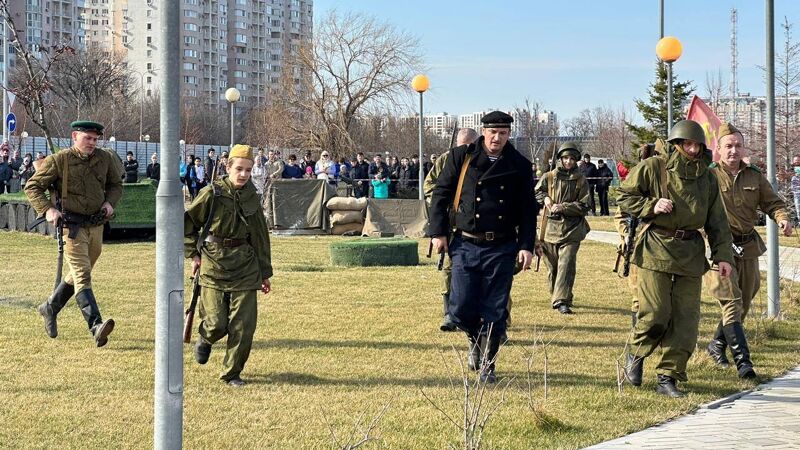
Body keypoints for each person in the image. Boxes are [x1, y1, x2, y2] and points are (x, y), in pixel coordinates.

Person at [617, 119, 734, 398]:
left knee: (686, 319)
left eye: (697, 144)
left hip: (691, 251)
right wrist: (651, 205)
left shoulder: (708, 177)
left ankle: (668, 376)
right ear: (676, 144)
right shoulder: (654, 167)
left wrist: (723, 255)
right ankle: (635, 353)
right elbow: (623, 194)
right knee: (656, 312)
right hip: (656, 246)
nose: (692, 149)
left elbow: (717, 219)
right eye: (687, 144)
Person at [429, 111, 536, 383]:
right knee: (461, 307)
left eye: (502, 133)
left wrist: (526, 246)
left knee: (495, 308)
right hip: (465, 241)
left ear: (509, 134)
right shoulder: (461, 157)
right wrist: (438, 232)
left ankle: (488, 364)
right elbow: (440, 194)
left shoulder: (520, 165)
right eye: (492, 132)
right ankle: (474, 338)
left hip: (501, 245)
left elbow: (527, 210)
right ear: (483, 131)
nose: (496, 138)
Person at [705, 123, 793, 380]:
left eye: (738, 145)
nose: (734, 150)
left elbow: (772, 202)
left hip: (748, 246)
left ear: (744, 148)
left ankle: (717, 344)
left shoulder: (754, 175)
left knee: (745, 299)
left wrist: (782, 218)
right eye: (728, 146)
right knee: (731, 299)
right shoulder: (708, 176)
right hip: (720, 247)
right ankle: (744, 363)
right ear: (718, 149)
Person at [25, 121, 123, 347]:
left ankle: (50, 306)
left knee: (81, 270)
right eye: (87, 138)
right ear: (74, 136)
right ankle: (96, 325)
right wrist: (48, 209)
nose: (92, 143)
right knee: (82, 273)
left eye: (95, 139)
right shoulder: (60, 160)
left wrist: (110, 202)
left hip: (96, 225)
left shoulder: (104, 158)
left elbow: (116, 184)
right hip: (71, 226)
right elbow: (32, 187)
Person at [184, 144, 272, 387]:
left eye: (248, 170)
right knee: (215, 322)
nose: (243, 174)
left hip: (245, 266)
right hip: (213, 264)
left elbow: (260, 237)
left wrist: (264, 273)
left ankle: (231, 373)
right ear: (228, 167)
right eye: (239, 169)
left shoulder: (252, 196)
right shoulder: (212, 193)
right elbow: (188, 223)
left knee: (244, 325)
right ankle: (205, 338)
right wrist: (194, 254)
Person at [424, 128, 479, 331]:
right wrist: (442, 200)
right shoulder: (447, 159)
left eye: (467, 145)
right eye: (460, 145)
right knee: (448, 268)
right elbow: (429, 184)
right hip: (451, 222)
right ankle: (449, 313)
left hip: (476, 223)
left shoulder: (483, 160)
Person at [535, 142, 591, 315]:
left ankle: (562, 300)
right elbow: (537, 192)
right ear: (560, 159)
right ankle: (557, 295)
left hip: (572, 229)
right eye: (565, 158)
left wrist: (564, 207)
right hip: (549, 229)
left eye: (572, 159)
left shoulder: (581, 180)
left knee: (566, 264)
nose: (568, 162)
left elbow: (585, 205)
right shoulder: (549, 176)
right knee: (553, 267)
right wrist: (545, 199)